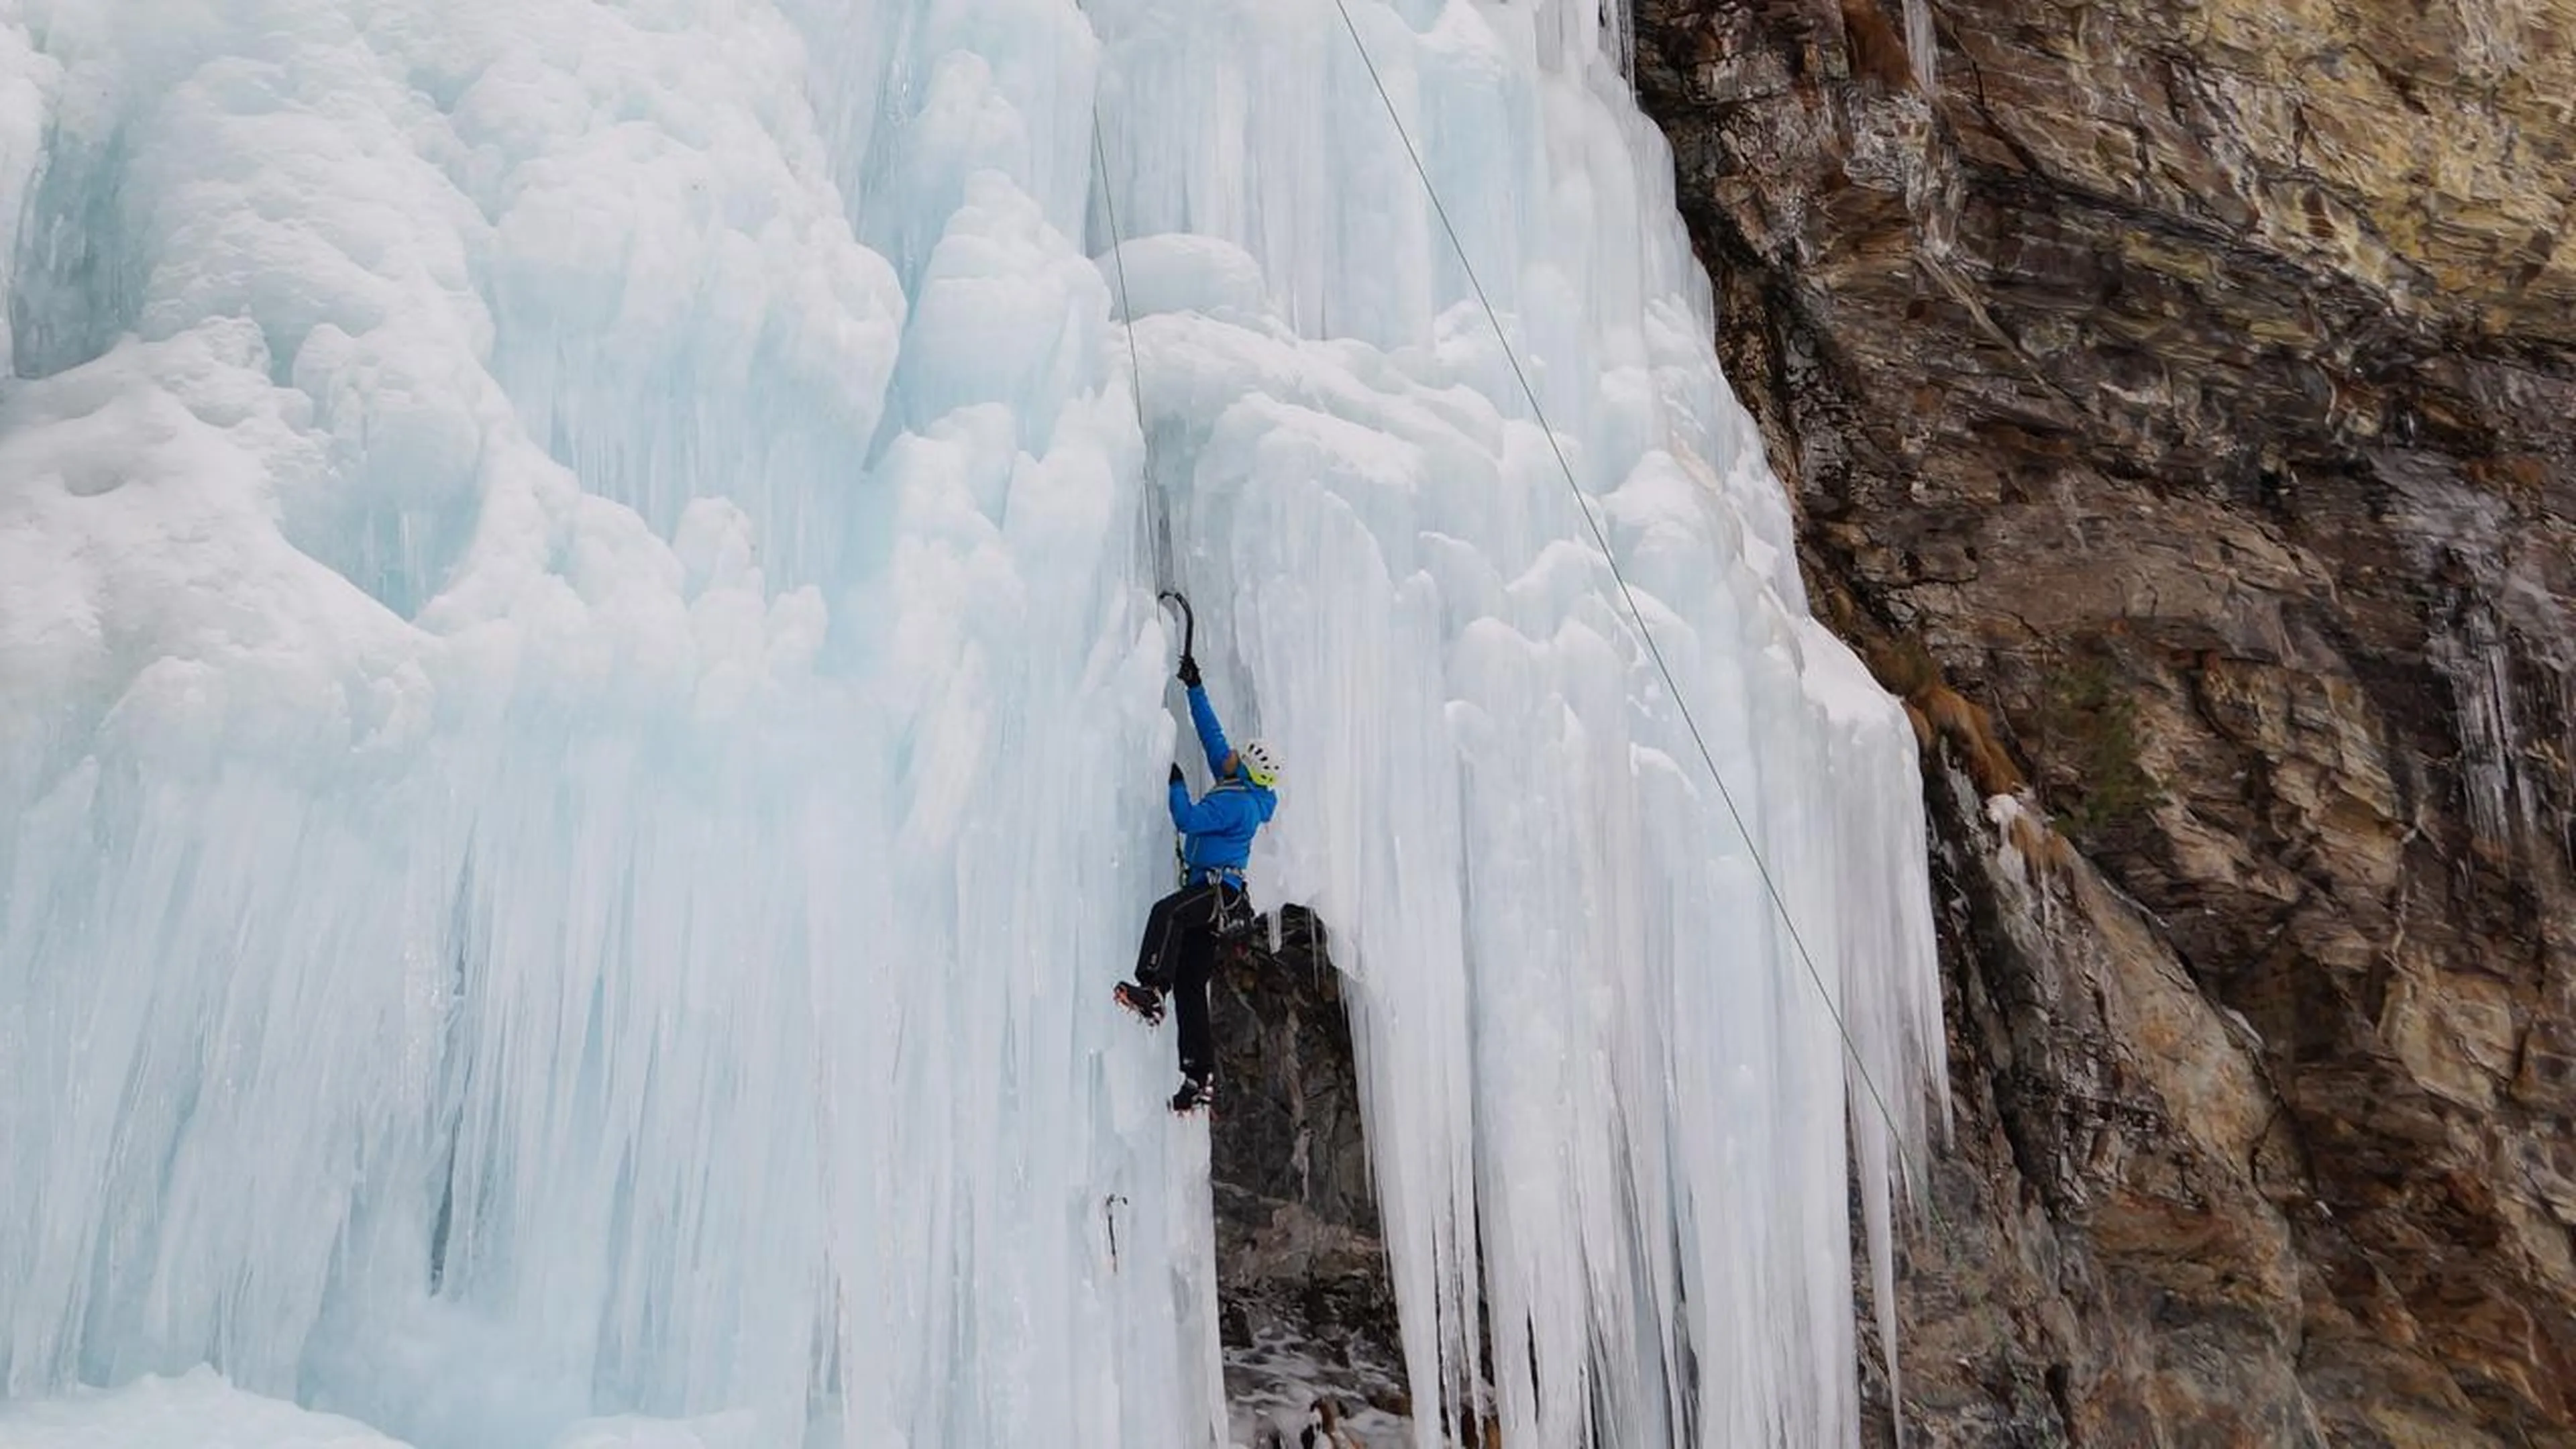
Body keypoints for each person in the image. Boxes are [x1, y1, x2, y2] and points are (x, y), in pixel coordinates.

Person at [1116, 649, 1281, 1113]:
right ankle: (1198, 1076)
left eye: (1241, 759)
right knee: (1191, 984)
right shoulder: (1246, 791)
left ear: (1249, 770)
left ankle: (1151, 988)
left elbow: (1187, 818)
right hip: (1220, 896)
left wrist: (1173, 781)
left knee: (1166, 913)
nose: (1232, 758)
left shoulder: (1237, 804)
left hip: (1213, 893)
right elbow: (1214, 739)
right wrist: (1195, 687)